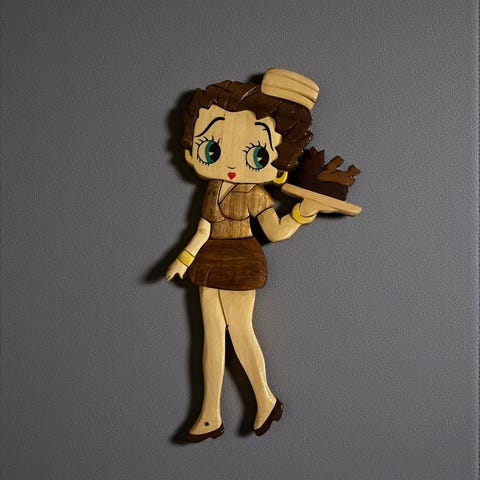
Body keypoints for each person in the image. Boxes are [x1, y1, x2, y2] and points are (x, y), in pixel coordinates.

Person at [166, 68, 326, 442]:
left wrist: (302, 214)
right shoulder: (212, 189)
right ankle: (210, 412)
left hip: (241, 262)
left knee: (240, 330)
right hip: (208, 261)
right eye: (213, 148)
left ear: (277, 160)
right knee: (210, 337)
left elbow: (275, 231)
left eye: (255, 153)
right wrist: (183, 260)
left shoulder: (255, 193)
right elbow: (202, 230)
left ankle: (265, 399)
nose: (230, 165)